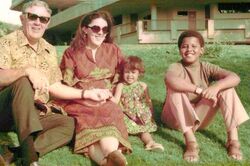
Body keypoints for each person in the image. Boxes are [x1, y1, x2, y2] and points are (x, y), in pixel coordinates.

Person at [0, 1, 106, 165]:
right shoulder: (6, 42)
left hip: (34, 113)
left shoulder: (49, 50)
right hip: (5, 110)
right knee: (23, 82)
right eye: (33, 17)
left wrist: (87, 94)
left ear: (48, 22)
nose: (38, 22)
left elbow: (54, 86)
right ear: (23, 19)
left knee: (68, 124)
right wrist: (26, 70)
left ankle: (16, 153)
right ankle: (30, 159)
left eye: (43, 19)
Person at [51, 11, 132, 166]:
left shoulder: (113, 50)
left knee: (110, 110)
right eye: (96, 28)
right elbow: (66, 84)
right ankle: (114, 156)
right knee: (93, 112)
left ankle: (107, 159)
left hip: (107, 99)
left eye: (104, 29)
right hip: (80, 100)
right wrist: (86, 98)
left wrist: (114, 97)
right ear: (85, 29)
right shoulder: (71, 53)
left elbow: (121, 78)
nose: (100, 33)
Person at [161, 30, 249, 162]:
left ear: (201, 50)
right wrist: (200, 90)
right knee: (175, 90)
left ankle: (233, 141)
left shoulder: (207, 67)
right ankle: (191, 143)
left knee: (227, 89)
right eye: (184, 46)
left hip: (198, 119)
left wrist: (216, 87)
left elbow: (234, 77)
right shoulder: (176, 66)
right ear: (180, 50)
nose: (189, 49)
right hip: (175, 120)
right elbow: (170, 79)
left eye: (194, 46)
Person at [111, 56, 164, 151]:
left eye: (133, 72)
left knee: (143, 130)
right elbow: (115, 100)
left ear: (139, 73)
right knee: (122, 129)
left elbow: (148, 101)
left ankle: (150, 143)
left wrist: (150, 114)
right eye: (127, 72)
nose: (130, 75)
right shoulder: (121, 86)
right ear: (122, 73)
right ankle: (120, 145)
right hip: (127, 114)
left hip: (141, 114)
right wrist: (107, 95)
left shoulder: (143, 85)